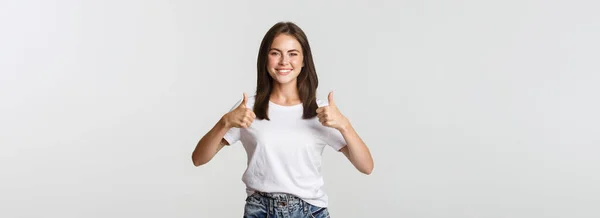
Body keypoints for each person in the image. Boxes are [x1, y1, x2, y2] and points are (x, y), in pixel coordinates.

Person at [191, 21, 374, 218]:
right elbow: (199, 159)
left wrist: (344, 125)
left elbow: (366, 167)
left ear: (304, 61)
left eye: (293, 54)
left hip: (309, 212)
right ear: (265, 59)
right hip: (260, 210)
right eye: (275, 53)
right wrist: (225, 122)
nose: (284, 61)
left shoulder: (320, 111)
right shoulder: (248, 109)